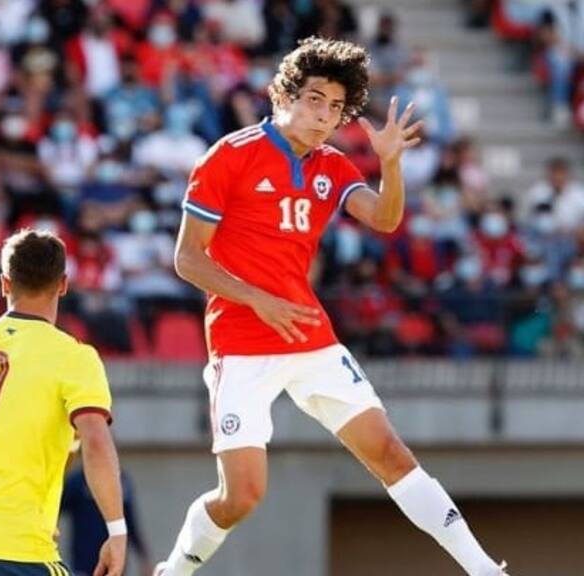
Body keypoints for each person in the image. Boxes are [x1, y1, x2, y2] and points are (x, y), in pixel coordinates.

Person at [155, 37, 509, 576]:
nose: (323, 116)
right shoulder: (230, 155)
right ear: (285, 94)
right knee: (242, 496)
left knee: (391, 453)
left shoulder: (333, 166)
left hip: (309, 336)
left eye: (336, 108)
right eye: (315, 99)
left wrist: (391, 165)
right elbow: (187, 259)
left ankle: (485, 569)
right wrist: (257, 300)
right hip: (242, 340)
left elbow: (385, 220)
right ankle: (173, 570)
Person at [0, 229, 127, 576]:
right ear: (63, 284)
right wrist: (117, 530)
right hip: (16, 547)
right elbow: (95, 440)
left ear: (4, 283)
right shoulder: (75, 357)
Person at [61, 467, 152, 576]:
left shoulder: (122, 481)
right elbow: (55, 511)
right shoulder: (77, 481)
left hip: (113, 560)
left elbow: (131, 525)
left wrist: (144, 558)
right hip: (84, 561)